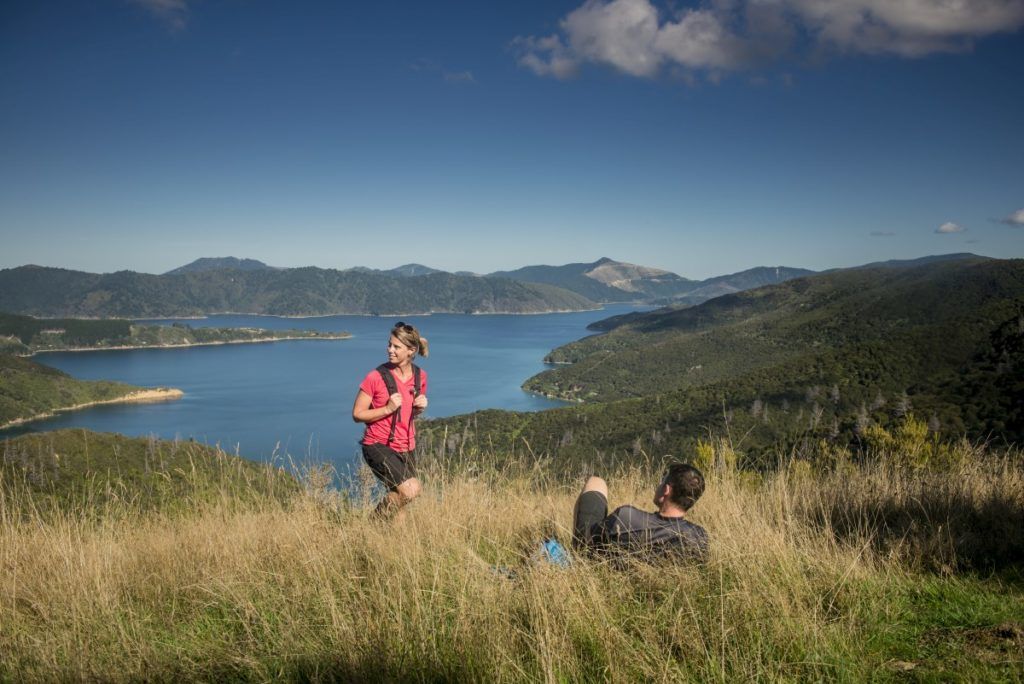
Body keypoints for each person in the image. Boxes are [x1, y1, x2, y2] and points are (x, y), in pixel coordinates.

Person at [352, 322, 429, 520]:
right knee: (412, 489)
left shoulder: (420, 377)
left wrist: (419, 408)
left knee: (401, 497)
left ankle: (396, 544)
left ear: (411, 350)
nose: (390, 350)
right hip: (377, 444)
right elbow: (357, 414)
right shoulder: (375, 377)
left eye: (396, 347)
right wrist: (387, 408)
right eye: (389, 345)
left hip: (407, 445)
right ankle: (373, 522)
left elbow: (406, 415)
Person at [572, 463, 708, 562]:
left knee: (596, 482)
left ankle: (575, 554)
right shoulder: (699, 537)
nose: (658, 486)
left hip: (594, 561)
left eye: (662, 482)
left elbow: (590, 539)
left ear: (666, 490)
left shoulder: (626, 517)